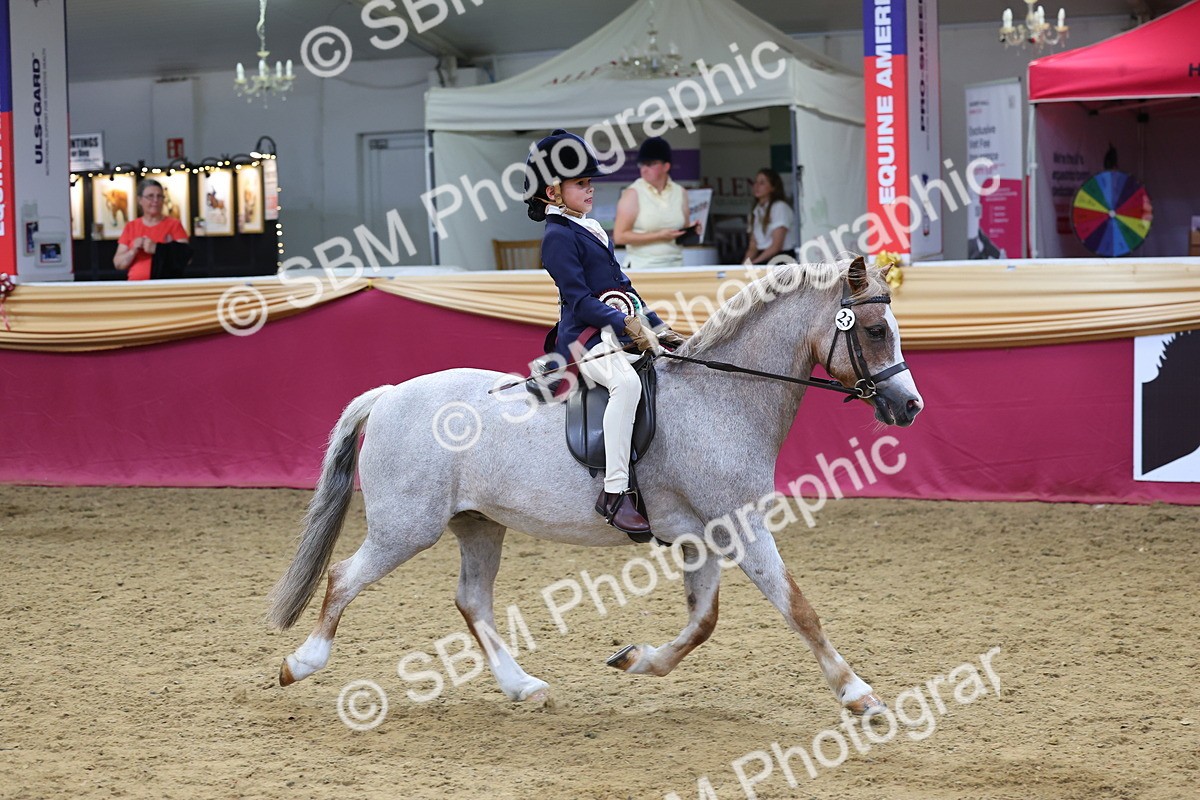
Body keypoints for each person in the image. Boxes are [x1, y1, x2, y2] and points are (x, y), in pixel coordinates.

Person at [526, 129, 686, 536]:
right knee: (626, 386)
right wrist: (623, 323)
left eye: (589, 182)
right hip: (584, 339)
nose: (590, 189)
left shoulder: (590, 227)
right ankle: (615, 493)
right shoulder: (557, 237)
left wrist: (658, 328)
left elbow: (623, 289)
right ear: (553, 191)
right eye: (580, 183)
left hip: (615, 331)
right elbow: (579, 301)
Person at [612, 137, 694, 269]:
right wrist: (658, 236)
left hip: (675, 265)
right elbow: (619, 237)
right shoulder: (632, 193)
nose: (644, 169)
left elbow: (681, 232)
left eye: (650, 164)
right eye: (642, 164)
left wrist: (693, 230)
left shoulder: (681, 192)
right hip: (642, 267)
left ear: (666, 166)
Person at [113, 179, 189, 280]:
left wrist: (158, 248)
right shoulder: (131, 226)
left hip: (165, 286)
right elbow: (118, 264)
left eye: (159, 196)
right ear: (140, 200)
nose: (155, 200)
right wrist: (133, 251)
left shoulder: (174, 225)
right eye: (150, 196)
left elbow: (186, 258)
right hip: (136, 287)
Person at [742, 168, 796, 265]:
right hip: (763, 257)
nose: (756, 186)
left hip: (781, 259)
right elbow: (753, 247)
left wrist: (755, 264)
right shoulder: (755, 212)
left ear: (773, 187)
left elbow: (776, 246)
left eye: (762, 183)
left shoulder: (780, 207)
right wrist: (744, 266)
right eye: (755, 182)